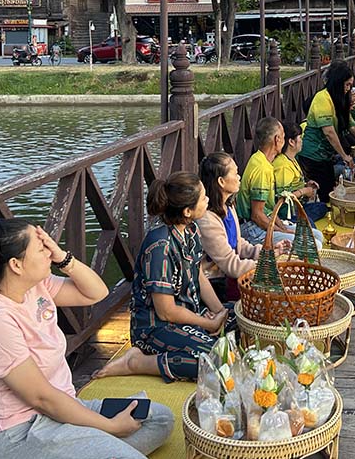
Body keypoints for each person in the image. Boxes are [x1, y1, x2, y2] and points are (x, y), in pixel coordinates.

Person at [0, 218, 174, 459]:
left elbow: (97, 292)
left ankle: (95, 450)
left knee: (159, 419)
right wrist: (111, 427)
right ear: (16, 265)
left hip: (64, 409)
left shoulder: (36, 287)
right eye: (41, 249)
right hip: (22, 433)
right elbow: (42, 398)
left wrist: (63, 257)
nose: (49, 254)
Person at [96, 173, 235, 383]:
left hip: (190, 315)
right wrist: (208, 324)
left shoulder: (191, 229)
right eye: (204, 197)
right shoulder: (160, 246)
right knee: (218, 360)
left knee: (243, 318)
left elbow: (197, 273)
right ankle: (137, 362)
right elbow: (166, 311)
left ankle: (207, 331)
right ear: (187, 211)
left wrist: (219, 313)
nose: (208, 200)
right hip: (157, 327)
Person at [298, 61, 355, 202]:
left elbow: (351, 125)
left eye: (350, 85)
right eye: (347, 84)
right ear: (337, 82)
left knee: (328, 189)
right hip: (313, 156)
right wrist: (344, 156)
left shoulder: (339, 99)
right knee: (323, 193)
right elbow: (329, 132)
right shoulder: (322, 99)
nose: (348, 89)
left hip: (326, 156)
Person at [196, 152, 264, 302]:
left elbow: (238, 243)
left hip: (230, 276)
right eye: (235, 173)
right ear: (221, 181)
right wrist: (265, 265)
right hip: (215, 284)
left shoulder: (228, 206)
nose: (239, 177)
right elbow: (231, 265)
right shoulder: (207, 220)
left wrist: (265, 252)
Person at [236, 117, 295, 246]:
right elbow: (257, 215)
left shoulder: (259, 159)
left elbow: (269, 209)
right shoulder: (262, 168)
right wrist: (281, 231)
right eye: (283, 137)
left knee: (314, 235)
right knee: (313, 243)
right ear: (277, 139)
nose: (284, 141)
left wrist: (284, 229)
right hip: (251, 229)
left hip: (263, 222)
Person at [273, 121, 329, 226]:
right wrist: (304, 191)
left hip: (298, 206)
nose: (302, 141)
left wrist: (306, 184)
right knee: (310, 224)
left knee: (322, 207)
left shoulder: (292, 159)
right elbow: (282, 199)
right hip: (286, 214)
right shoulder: (283, 166)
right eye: (300, 138)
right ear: (291, 142)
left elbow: (293, 185)